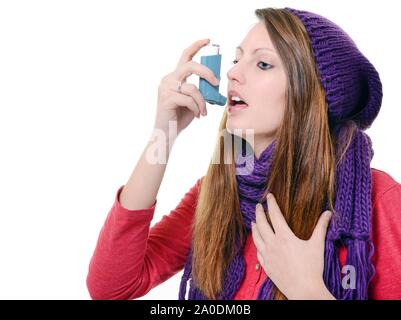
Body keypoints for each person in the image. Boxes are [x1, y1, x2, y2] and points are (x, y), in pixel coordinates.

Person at [86, 7, 401, 300]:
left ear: (312, 94)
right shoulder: (219, 193)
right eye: (237, 59)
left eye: (263, 63)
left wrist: (307, 289)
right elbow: (111, 286)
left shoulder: (377, 199)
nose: (233, 74)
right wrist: (163, 133)